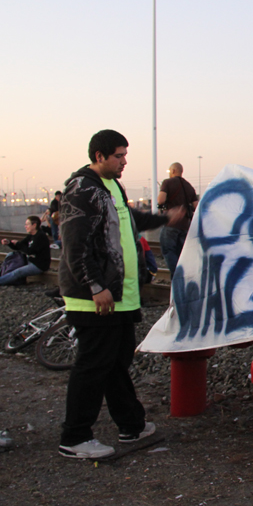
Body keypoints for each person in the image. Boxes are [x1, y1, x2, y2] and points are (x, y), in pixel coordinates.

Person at [57, 129, 185, 459]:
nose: (124, 161)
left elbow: (129, 221)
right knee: (94, 364)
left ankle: (131, 424)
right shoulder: (81, 189)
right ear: (99, 156)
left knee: (116, 362)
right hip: (95, 298)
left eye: (125, 155)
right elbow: (75, 245)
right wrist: (95, 286)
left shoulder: (111, 186)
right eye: (119, 156)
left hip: (121, 297)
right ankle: (75, 437)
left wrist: (163, 218)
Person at [0, 215, 51, 286]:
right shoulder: (31, 235)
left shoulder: (40, 237)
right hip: (30, 261)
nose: (25, 226)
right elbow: (20, 246)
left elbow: (30, 251)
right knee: (10, 255)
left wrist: (18, 244)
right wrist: (9, 243)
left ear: (34, 225)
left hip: (39, 265)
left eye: (27, 224)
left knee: (18, 272)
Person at [157, 162, 198, 272]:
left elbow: (160, 200)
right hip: (185, 225)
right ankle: (183, 276)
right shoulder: (189, 186)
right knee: (181, 254)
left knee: (168, 250)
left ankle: (176, 276)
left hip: (171, 223)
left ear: (173, 171)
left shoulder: (167, 182)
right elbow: (196, 206)